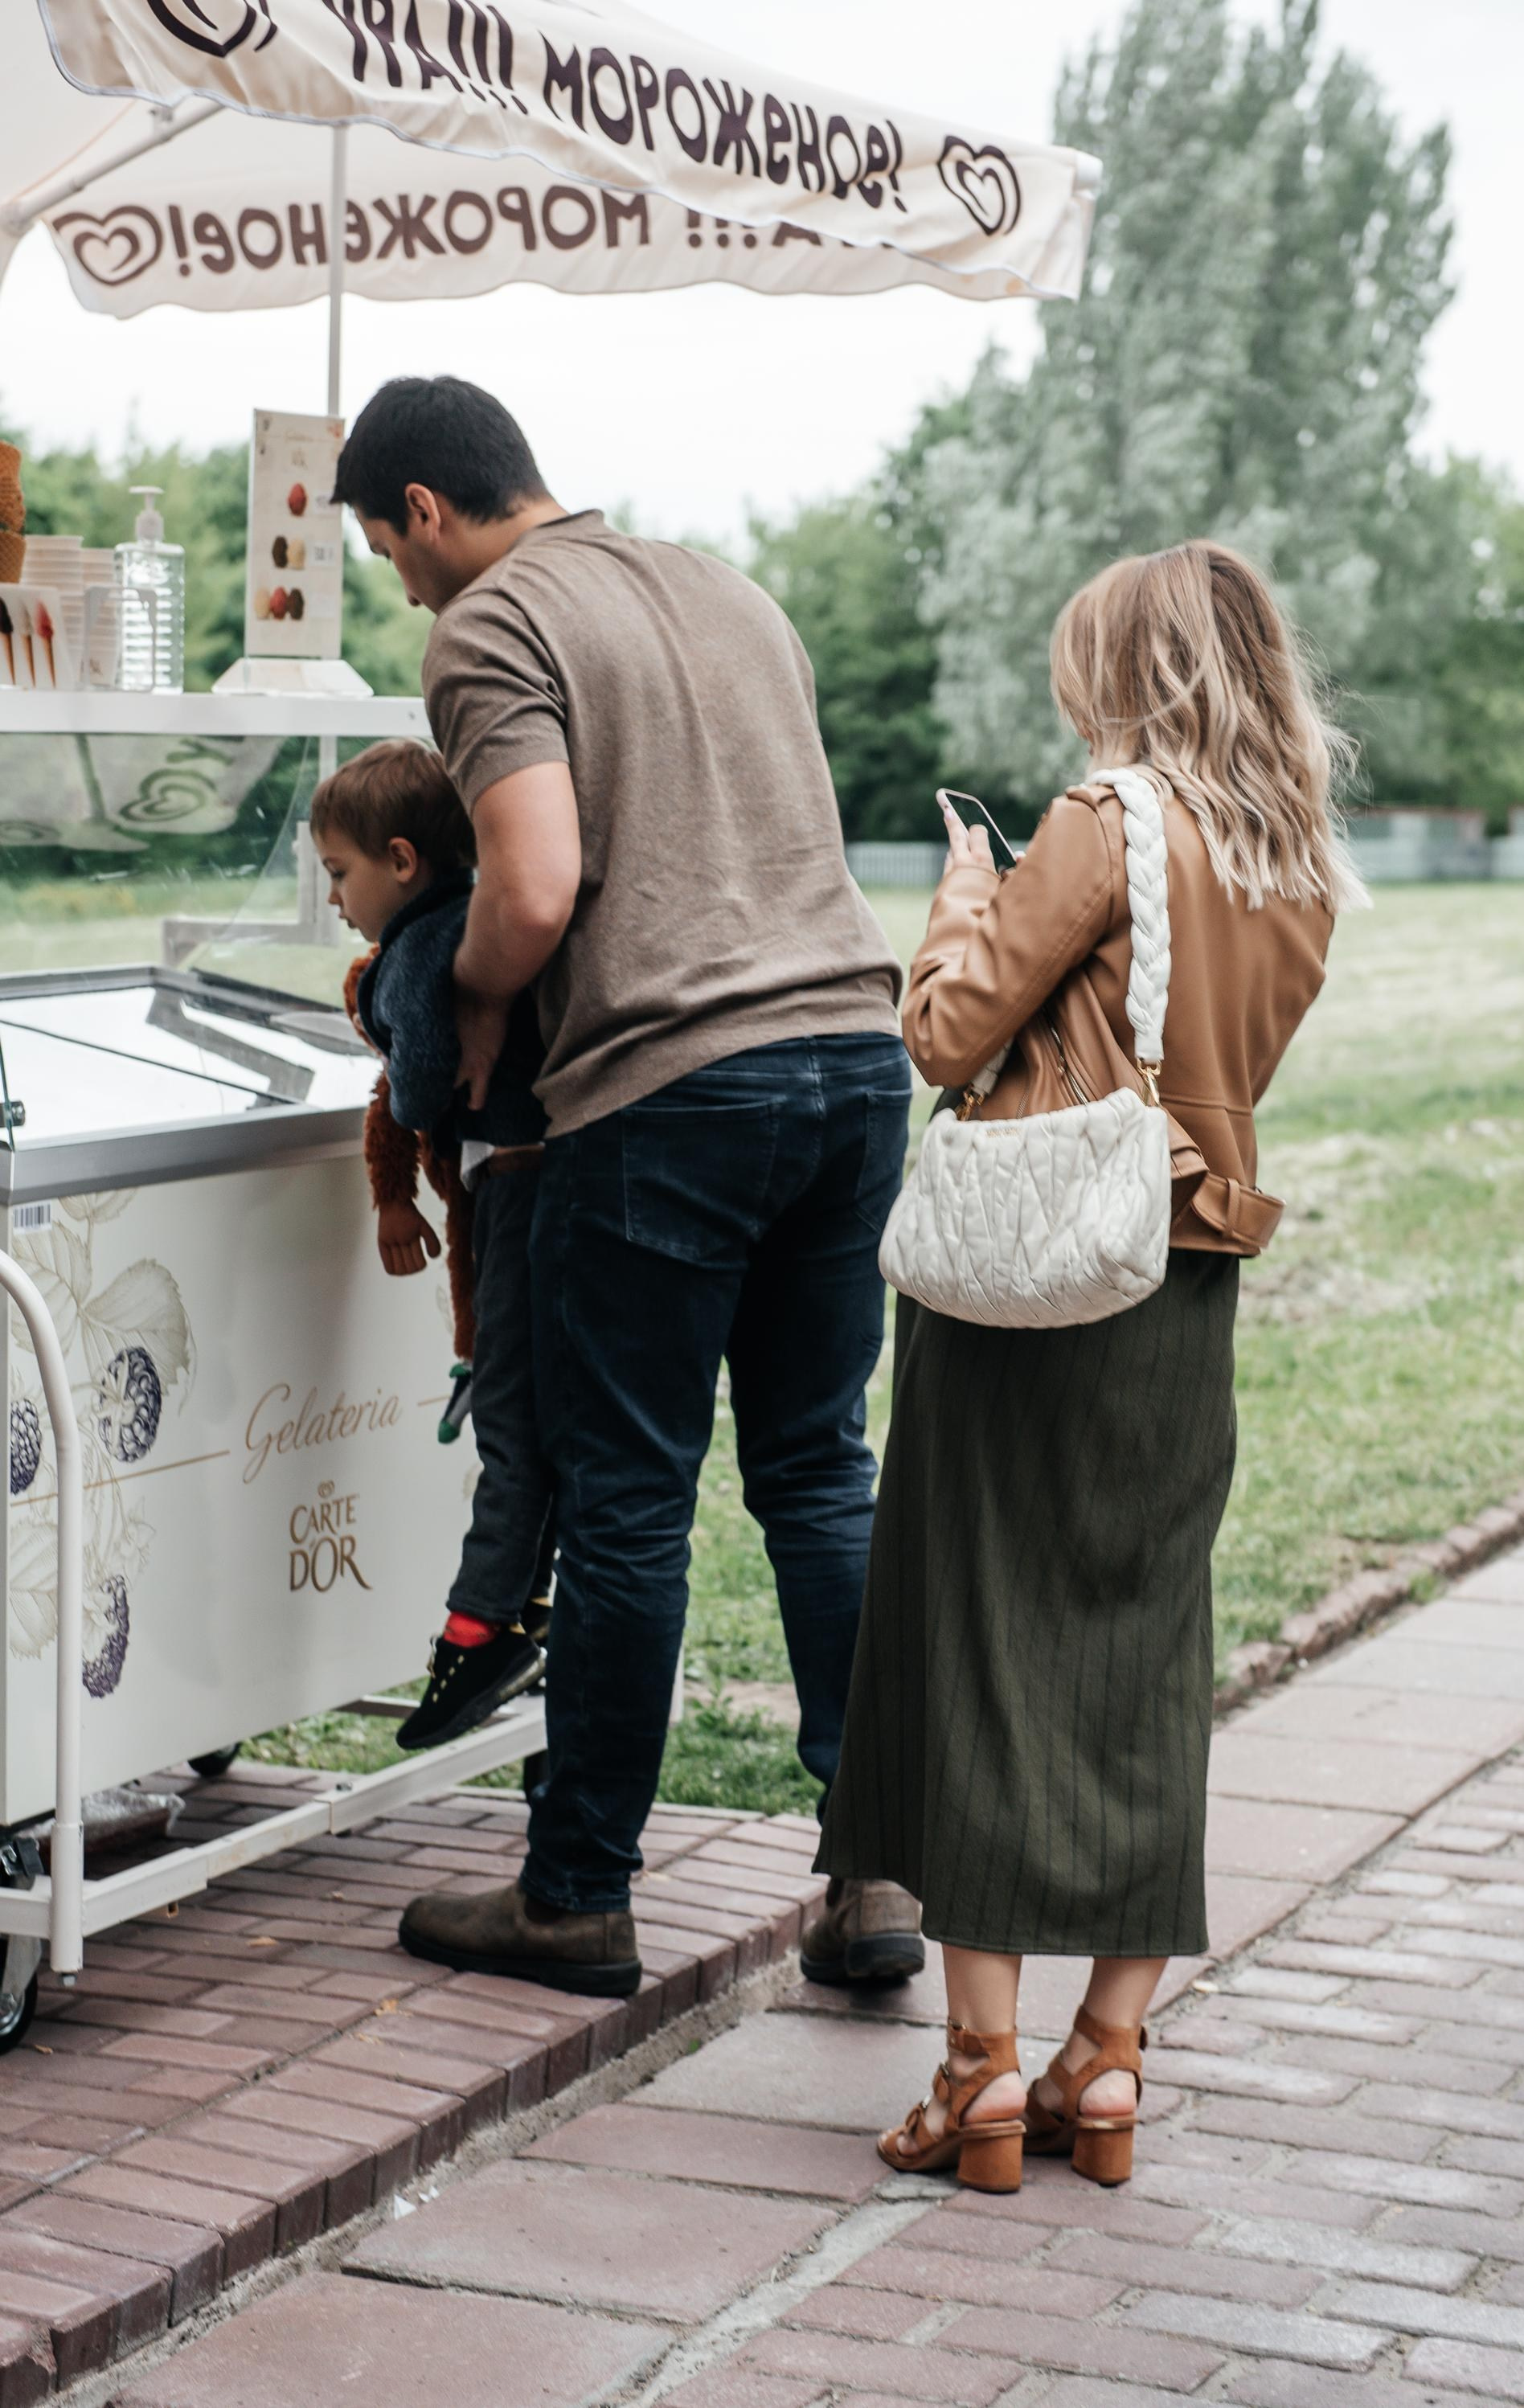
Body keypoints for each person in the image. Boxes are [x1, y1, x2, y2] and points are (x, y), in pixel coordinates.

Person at [331, 375, 922, 2000]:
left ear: (425, 509)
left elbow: (531, 887)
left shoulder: (491, 623)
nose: (406, 588)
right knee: (818, 1473)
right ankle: (874, 1868)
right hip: (854, 1060)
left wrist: (466, 1003)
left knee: (627, 1500)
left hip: (672, 1093)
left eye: (389, 552)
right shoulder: (726, 587)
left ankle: (577, 1894)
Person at [818, 540, 1358, 2193]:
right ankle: (1107, 2056)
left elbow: (946, 1032)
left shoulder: (1103, 817)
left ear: (1132, 669)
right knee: (1142, 1654)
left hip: (1033, 1282)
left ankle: (979, 2072)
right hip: (1184, 1286)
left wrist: (959, 899)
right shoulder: (1295, 856)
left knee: (981, 1637)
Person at [310, 740, 554, 1750]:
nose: (335, 899)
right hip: (562, 1169)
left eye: (339, 873)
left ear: (402, 861)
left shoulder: (414, 948)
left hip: (513, 1182)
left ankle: (480, 1625)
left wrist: (411, 1120)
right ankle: (526, 1603)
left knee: (508, 1410)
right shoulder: (484, 912)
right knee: (547, 1408)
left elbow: (418, 1072)